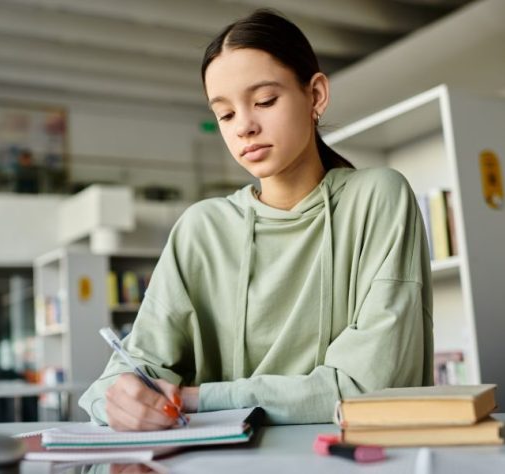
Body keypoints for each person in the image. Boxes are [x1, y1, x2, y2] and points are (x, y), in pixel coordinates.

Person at [78, 9, 432, 431]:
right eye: (225, 114)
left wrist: (195, 399)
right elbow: (115, 384)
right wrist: (121, 400)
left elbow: (368, 386)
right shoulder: (201, 230)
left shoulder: (379, 199)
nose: (244, 126)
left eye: (264, 101)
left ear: (315, 95)